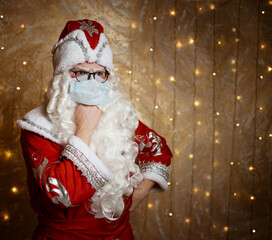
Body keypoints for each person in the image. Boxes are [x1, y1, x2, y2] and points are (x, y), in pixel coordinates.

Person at [17, 19, 173, 240]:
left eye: (99, 73)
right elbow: (64, 194)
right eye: (79, 72)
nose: (91, 82)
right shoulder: (37, 128)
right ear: (61, 76)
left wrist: (140, 192)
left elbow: (158, 150)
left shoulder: (117, 116)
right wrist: (85, 127)